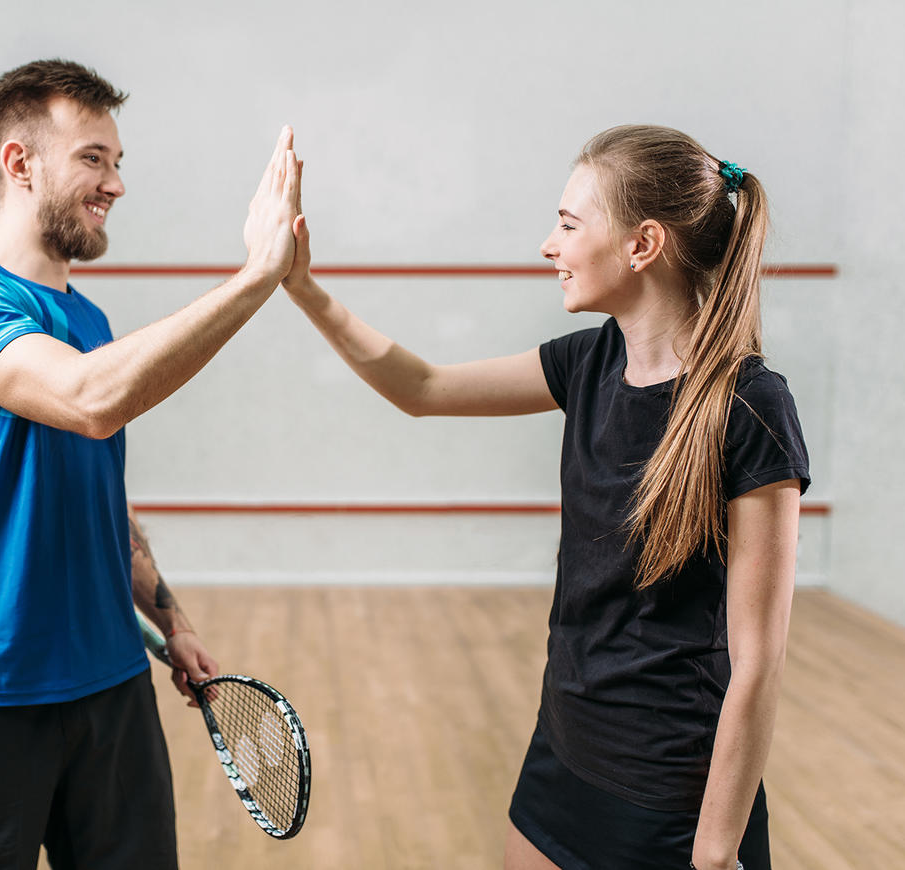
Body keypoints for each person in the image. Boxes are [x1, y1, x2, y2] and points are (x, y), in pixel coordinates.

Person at [281, 125, 808, 870]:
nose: (547, 246)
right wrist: (303, 286)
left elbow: (759, 662)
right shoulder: (588, 363)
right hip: (561, 750)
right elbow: (422, 388)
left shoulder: (750, 408)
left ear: (642, 244)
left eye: (567, 224)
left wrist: (716, 853)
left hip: (669, 793)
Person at [0, 59, 302, 869]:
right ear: (19, 163)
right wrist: (257, 275)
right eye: (92, 158)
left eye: (117, 162)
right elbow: (90, 400)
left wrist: (171, 621)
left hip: (113, 689)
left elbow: (102, 498)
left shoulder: (89, 317)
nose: (115, 183)